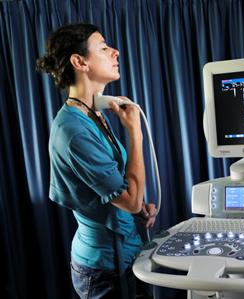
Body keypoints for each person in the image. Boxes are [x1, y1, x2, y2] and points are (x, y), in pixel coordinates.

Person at [36, 23, 157, 298]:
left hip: (126, 255)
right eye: (103, 48)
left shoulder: (94, 113)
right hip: (103, 271)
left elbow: (107, 191)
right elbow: (131, 199)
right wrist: (135, 133)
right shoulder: (74, 130)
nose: (115, 52)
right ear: (79, 61)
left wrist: (135, 212)